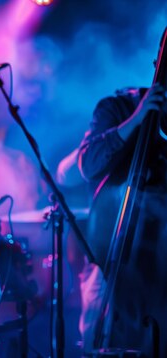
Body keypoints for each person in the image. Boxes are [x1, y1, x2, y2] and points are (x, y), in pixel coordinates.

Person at [77, 83, 167, 354]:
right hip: (110, 260)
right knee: (101, 341)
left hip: (160, 264)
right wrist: (137, 120)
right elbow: (89, 164)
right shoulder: (117, 107)